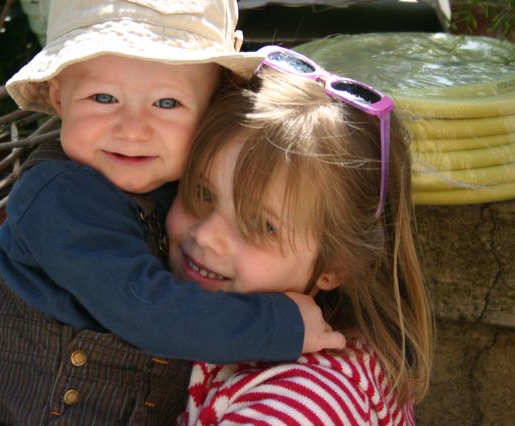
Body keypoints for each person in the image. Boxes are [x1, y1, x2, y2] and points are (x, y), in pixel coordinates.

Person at [0, 3, 345, 426]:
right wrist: (278, 326)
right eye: (103, 97)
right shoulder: (58, 200)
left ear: (211, 105)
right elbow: (147, 310)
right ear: (58, 96)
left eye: (167, 103)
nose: (133, 129)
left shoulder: (179, 180)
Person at [169, 47, 434, 425]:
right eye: (202, 193)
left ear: (334, 265)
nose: (207, 235)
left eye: (262, 225)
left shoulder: (304, 402)